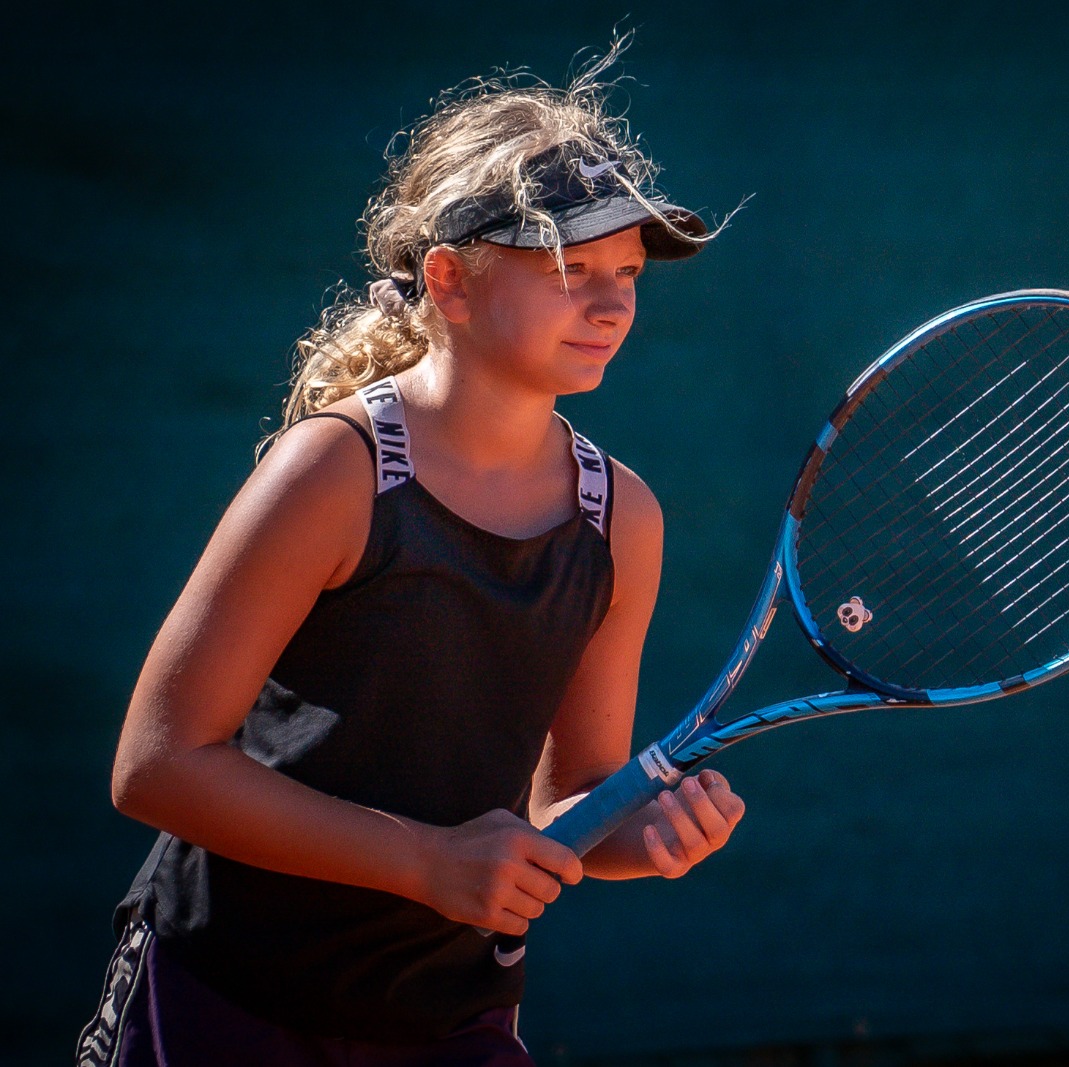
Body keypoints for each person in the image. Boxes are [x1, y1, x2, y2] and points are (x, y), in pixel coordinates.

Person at [78, 47, 744, 1067]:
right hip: (221, 991)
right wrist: (423, 859)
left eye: (628, 275)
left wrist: (642, 839)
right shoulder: (332, 473)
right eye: (570, 271)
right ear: (449, 280)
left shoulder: (625, 520)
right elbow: (157, 763)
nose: (611, 307)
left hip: (447, 1017)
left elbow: (572, 800)